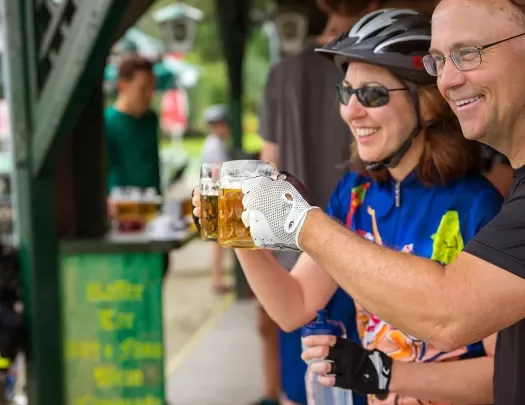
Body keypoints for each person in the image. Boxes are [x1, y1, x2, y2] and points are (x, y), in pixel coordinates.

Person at [194, 8, 503, 405]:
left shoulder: (477, 206)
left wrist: (382, 373)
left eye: (371, 94)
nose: (351, 110)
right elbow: (295, 306)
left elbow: (503, 375)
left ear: (426, 104)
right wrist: (236, 230)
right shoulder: (354, 193)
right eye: (345, 92)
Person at [257, 0, 383, 403]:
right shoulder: (378, 71)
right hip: (370, 240)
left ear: (320, 4)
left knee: (307, 385)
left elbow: (267, 168)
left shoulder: (283, 74)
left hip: (298, 251)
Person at [106, 54, 160, 195]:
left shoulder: (151, 119)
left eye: (152, 88)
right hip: (121, 206)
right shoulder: (108, 122)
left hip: (152, 205)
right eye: (142, 89)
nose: (149, 95)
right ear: (123, 86)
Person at [201, 104, 233, 294]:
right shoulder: (215, 145)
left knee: (219, 242)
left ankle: (218, 279)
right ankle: (217, 280)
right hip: (215, 196)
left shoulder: (215, 143)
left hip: (215, 195)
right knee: (217, 243)